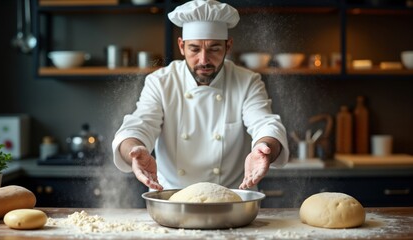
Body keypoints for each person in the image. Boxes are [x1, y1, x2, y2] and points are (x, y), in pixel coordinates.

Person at [112, 0, 289, 191]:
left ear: (228, 46)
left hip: (230, 200)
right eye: (194, 49)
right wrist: (134, 150)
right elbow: (139, 125)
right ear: (181, 46)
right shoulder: (161, 82)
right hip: (171, 198)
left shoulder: (247, 81)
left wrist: (264, 149)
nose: (203, 60)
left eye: (214, 48)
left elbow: (265, 124)